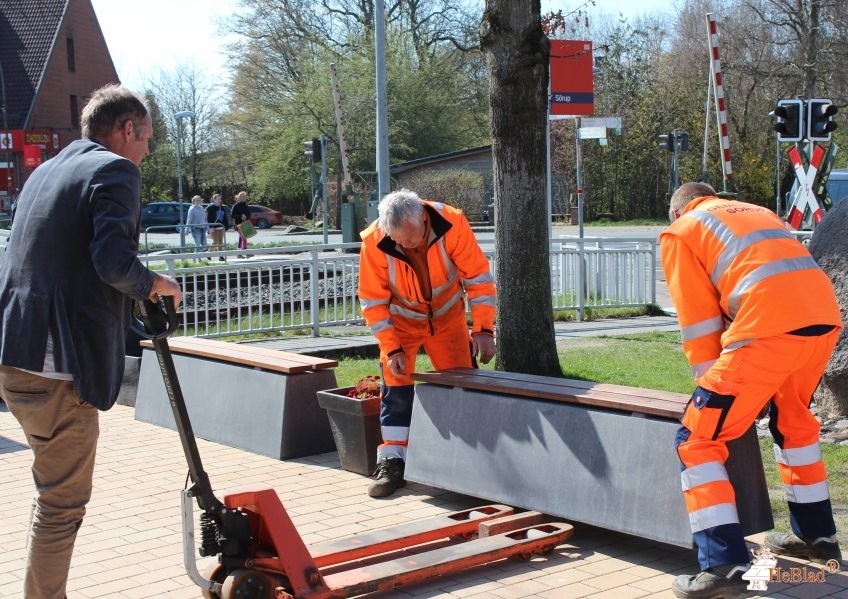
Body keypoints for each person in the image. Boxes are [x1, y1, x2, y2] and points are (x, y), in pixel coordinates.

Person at [0, 83, 183, 598]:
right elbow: (111, 261)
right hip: (58, 368)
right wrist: (155, 283)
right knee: (62, 506)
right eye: (146, 139)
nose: (147, 151)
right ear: (127, 130)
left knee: (50, 493)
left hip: (13, 357)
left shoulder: (45, 172)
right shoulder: (115, 170)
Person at [661, 182, 842, 598]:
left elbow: (698, 319)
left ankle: (723, 564)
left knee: (697, 438)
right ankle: (818, 537)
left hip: (767, 329)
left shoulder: (682, 230)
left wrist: (710, 388)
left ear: (677, 211)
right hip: (822, 322)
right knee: (794, 424)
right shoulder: (756, 212)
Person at [358, 189, 496, 498]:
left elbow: (478, 278)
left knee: (462, 387)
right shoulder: (374, 240)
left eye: (411, 239)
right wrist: (392, 347)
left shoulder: (453, 223)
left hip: (448, 321)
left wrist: (484, 329)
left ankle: (471, 460)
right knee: (396, 388)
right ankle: (393, 462)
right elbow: (373, 301)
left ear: (422, 216)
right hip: (401, 325)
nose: (406, 245)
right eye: (399, 241)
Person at [206, 192, 229, 260]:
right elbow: (208, 218)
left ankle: (221, 256)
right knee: (215, 241)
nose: (219, 200)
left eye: (220, 199)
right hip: (214, 227)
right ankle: (209, 253)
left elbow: (225, 217)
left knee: (220, 242)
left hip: (221, 227)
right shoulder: (210, 208)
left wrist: (226, 226)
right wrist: (210, 227)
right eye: (218, 199)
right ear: (214, 199)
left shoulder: (221, 207)